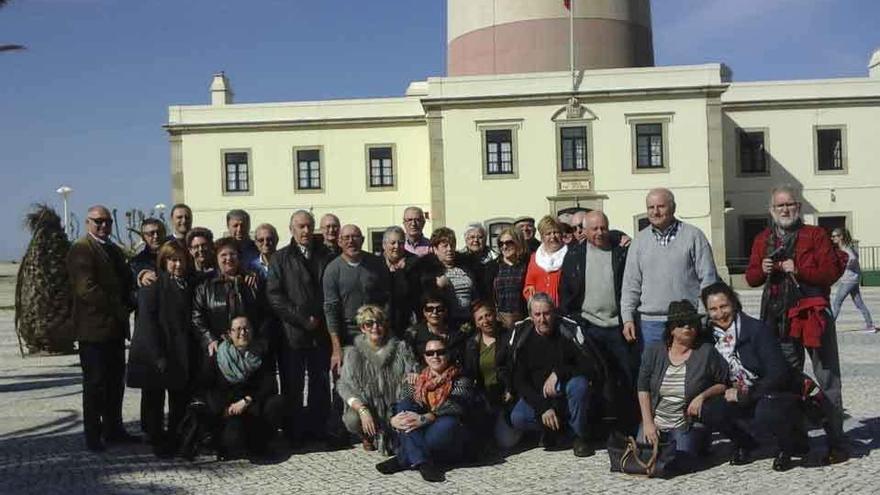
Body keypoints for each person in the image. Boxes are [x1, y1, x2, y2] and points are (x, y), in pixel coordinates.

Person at [745, 185, 849, 463]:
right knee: (787, 382)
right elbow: (751, 278)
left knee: (828, 379)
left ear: (799, 208)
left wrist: (799, 270)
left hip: (813, 316)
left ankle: (836, 442)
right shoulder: (763, 239)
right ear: (771, 210)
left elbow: (829, 272)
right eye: (780, 206)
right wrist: (762, 269)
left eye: (790, 204)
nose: (785, 210)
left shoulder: (816, 235)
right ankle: (795, 441)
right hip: (778, 319)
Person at [701, 282, 808, 471]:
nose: (720, 313)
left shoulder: (757, 330)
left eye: (724, 306)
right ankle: (746, 443)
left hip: (769, 390)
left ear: (733, 303)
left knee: (767, 411)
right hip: (733, 390)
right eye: (713, 309)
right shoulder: (710, 337)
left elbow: (778, 373)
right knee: (710, 410)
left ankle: (787, 445)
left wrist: (747, 393)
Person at [67, 205, 138, 451]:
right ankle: (93, 435)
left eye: (107, 221)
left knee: (115, 383)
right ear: (88, 222)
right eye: (98, 221)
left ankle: (114, 429)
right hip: (93, 332)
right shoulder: (81, 249)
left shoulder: (113, 249)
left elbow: (126, 280)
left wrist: (133, 298)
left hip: (114, 331)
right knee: (95, 385)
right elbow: (86, 289)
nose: (103, 225)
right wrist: (119, 307)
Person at [621, 188, 719, 352]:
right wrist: (627, 318)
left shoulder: (694, 236)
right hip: (649, 325)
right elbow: (631, 285)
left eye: (661, 206)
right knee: (653, 375)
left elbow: (708, 279)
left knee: (688, 373)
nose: (655, 212)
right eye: (651, 208)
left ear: (673, 208)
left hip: (686, 321)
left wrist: (702, 316)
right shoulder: (639, 242)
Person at [637, 300, 729, 473]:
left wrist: (702, 396)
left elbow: (724, 383)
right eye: (681, 324)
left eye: (692, 323)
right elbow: (643, 388)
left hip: (684, 422)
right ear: (672, 329)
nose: (687, 327)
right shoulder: (654, 352)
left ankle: (700, 442)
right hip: (657, 419)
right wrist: (648, 423)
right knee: (644, 459)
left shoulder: (706, 352)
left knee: (680, 463)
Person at [267, 210, 333, 444]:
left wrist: (320, 318)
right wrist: (303, 320)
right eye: (301, 226)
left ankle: (318, 428)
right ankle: (294, 433)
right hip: (292, 333)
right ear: (291, 229)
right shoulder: (280, 258)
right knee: (292, 385)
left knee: (320, 383)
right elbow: (275, 296)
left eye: (309, 226)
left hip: (321, 331)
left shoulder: (326, 254)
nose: (305, 231)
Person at [508, 293, 596, 457]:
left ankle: (579, 436)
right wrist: (543, 408)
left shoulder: (566, 332)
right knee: (518, 417)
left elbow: (588, 365)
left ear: (553, 313)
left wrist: (559, 373)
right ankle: (555, 431)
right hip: (540, 395)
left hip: (565, 392)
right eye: (538, 314)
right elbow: (520, 381)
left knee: (579, 385)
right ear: (531, 316)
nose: (542, 319)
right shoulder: (524, 339)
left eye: (547, 313)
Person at [127, 242, 193, 457]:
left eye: (181, 259)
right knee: (154, 400)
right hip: (159, 354)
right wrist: (158, 357)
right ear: (164, 262)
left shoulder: (189, 284)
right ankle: (156, 440)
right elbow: (147, 326)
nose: (177, 264)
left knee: (179, 400)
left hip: (181, 352)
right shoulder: (152, 288)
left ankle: (177, 438)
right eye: (172, 260)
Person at [376, 337, 474, 482]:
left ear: (448, 354)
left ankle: (404, 458)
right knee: (404, 406)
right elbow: (401, 404)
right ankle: (423, 462)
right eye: (430, 353)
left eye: (440, 352)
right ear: (425, 357)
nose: (435, 356)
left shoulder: (460, 378)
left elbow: (456, 405)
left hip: (444, 432)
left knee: (448, 424)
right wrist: (393, 419)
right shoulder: (417, 379)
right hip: (419, 429)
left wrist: (426, 418)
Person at [560, 211, 638, 389]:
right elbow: (566, 291)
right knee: (598, 379)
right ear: (585, 231)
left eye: (603, 228)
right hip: (589, 326)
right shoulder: (574, 256)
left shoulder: (621, 252)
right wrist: (573, 320)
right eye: (594, 229)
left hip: (618, 326)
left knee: (626, 376)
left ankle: (629, 416)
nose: (600, 233)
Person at [201, 316, 284, 460]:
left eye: (246, 328)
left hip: (251, 405)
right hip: (229, 411)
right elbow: (207, 387)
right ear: (230, 333)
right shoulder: (217, 356)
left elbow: (268, 384)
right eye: (238, 329)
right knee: (234, 440)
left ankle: (263, 444)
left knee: (277, 402)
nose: (243, 332)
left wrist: (247, 400)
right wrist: (224, 409)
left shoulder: (260, 353)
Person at [336, 305, 416, 454]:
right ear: (362, 328)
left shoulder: (400, 349)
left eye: (379, 322)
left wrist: (411, 380)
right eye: (369, 324)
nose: (375, 327)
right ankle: (367, 435)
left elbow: (413, 372)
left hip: (395, 406)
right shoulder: (353, 354)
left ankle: (392, 432)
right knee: (352, 419)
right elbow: (343, 386)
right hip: (369, 407)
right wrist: (362, 409)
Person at [323, 224, 391, 373]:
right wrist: (336, 348)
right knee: (347, 384)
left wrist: (383, 331)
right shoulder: (332, 270)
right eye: (346, 238)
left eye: (355, 237)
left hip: (375, 332)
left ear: (363, 239)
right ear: (339, 242)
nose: (351, 241)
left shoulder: (377, 264)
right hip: (347, 334)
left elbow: (387, 300)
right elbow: (331, 310)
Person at [192, 237, 267, 360]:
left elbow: (266, 314)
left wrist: (261, 341)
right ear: (216, 258)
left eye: (233, 254)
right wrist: (210, 339)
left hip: (252, 351)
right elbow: (197, 316)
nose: (228, 258)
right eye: (223, 255)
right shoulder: (205, 286)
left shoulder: (253, 282)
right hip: (219, 351)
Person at [461, 301, 520, 450]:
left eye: (488, 315)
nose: (485, 320)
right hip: (485, 397)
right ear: (476, 323)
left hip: (506, 394)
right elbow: (469, 373)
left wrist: (510, 388)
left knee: (507, 442)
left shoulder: (509, 337)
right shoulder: (472, 345)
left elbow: (517, 368)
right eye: (480, 318)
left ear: (495, 316)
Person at [415, 227, 480, 328]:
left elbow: (476, 295)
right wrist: (436, 286)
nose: (449, 249)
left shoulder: (468, 267)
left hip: (468, 321)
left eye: (452, 245)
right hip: (445, 323)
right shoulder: (428, 272)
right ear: (435, 249)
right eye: (445, 246)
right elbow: (423, 299)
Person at [830, 227, 877, 332]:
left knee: (837, 302)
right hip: (852, 280)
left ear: (840, 237)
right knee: (859, 303)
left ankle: (829, 327)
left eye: (834, 236)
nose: (832, 238)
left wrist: (845, 264)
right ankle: (870, 326)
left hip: (848, 281)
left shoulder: (847, 249)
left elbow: (853, 258)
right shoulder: (844, 248)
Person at [405, 293, 469, 369]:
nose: (434, 312)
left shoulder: (457, 334)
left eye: (439, 309)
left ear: (445, 311)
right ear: (424, 312)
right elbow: (410, 361)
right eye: (430, 309)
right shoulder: (414, 334)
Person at [485, 227, 528, 329]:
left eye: (509, 243)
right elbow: (487, 296)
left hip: (524, 319)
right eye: (501, 243)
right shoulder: (492, 266)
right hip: (499, 321)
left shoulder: (527, 265)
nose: (504, 247)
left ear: (518, 242)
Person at [381, 226, 417, 339]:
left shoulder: (414, 263)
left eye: (400, 243)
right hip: (382, 324)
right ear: (384, 245)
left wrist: (400, 273)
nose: (396, 247)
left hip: (407, 324)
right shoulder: (375, 264)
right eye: (392, 243)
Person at [522, 216, 568, 306]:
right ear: (542, 237)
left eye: (556, 232)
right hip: (540, 310)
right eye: (548, 233)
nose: (553, 237)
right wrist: (530, 294)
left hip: (563, 309)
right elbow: (528, 284)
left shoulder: (570, 255)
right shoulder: (534, 257)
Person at [129, 218, 167, 289]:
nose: (156, 236)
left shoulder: (175, 255)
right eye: (151, 234)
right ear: (143, 237)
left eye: (159, 232)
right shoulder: (137, 262)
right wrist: (141, 276)